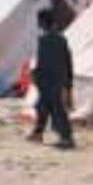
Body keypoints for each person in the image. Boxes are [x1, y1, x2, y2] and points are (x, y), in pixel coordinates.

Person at [27, 8, 74, 148]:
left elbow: (43, 61)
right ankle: (38, 132)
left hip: (49, 79)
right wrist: (68, 81)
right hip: (58, 79)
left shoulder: (45, 40)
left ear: (43, 22)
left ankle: (66, 137)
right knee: (44, 106)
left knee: (56, 108)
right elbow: (68, 60)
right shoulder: (61, 39)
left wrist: (37, 75)